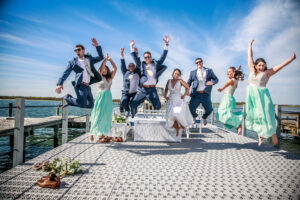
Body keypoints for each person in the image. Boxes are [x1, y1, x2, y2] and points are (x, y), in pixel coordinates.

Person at [246, 40, 296, 146]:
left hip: (263, 98)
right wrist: (250, 45)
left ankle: (273, 133)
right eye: (259, 65)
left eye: (263, 65)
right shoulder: (251, 69)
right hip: (252, 97)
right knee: (256, 116)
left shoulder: (267, 73)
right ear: (255, 65)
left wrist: (291, 59)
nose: (261, 67)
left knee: (266, 116)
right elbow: (250, 56)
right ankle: (260, 137)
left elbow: (281, 65)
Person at [56, 38, 104, 108]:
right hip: (80, 85)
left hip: (87, 85)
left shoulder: (90, 59)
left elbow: (101, 57)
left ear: (83, 51)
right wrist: (59, 84)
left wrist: (97, 46)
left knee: (91, 105)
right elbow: (66, 73)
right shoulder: (73, 62)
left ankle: (70, 101)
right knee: (82, 104)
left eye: (78, 49)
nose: (77, 51)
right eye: (75, 50)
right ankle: (67, 97)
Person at [129, 35, 170, 118]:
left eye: (148, 57)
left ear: (151, 57)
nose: (147, 58)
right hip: (143, 89)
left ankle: (153, 119)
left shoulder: (155, 64)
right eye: (145, 57)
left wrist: (166, 45)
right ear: (144, 58)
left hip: (152, 89)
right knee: (132, 104)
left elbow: (163, 57)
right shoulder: (141, 64)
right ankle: (134, 116)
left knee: (158, 106)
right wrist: (131, 47)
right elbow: (135, 58)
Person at [90, 53, 117, 143]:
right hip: (101, 96)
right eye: (103, 69)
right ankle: (94, 132)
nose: (104, 70)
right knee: (98, 114)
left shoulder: (110, 78)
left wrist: (110, 60)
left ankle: (103, 134)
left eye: (106, 69)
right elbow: (101, 68)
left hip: (108, 97)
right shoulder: (99, 76)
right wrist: (105, 60)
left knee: (106, 115)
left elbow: (115, 69)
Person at [187, 58, 219, 125]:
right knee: (190, 108)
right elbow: (189, 82)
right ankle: (195, 117)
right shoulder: (192, 72)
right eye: (197, 62)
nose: (198, 63)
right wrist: (187, 89)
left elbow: (216, 79)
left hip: (205, 94)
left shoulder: (209, 71)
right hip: (196, 94)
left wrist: (212, 82)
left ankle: (204, 117)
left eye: (199, 62)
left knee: (209, 110)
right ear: (195, 64)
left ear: (202, 62)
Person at [164, 68, 193, 136]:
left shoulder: (180, 81)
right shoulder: (169, 81)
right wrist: (165, 96)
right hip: (171, 100)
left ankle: (182, 127)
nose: (176, 75)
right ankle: (177, 129)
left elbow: (188, 88)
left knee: (177, 114)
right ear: (173, 74)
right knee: (170, 117)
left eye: (178, 74)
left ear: (179, 75)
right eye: (175, 73)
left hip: (178, 101)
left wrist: (184, 95)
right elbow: (166, 89)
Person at [216, 66, 244, 134]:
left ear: (233, 73)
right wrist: (237, 69)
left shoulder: (231, 80)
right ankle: (237, 124)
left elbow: (226, 84)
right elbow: (235, 73)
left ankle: (238, 124)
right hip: (229, 98)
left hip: (227, 99)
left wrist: (221, 89)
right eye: (227, 71)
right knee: (221, 115)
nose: (227, 73)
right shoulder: (236, 80)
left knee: (222, 114)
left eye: (229, 72)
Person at [120, 47, 141, 118]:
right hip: (126, 92)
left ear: (134, 67)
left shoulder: (137, 72)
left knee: (133, 103)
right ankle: (127, 109)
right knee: (123, 101)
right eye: (130, 66)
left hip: (134, 93)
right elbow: (122, 64)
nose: (131, 67)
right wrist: (122, 54)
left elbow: (138, 63)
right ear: (128, 67)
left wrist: (136, 54)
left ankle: (133, 111)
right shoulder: (125, 72)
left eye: (133, 66)